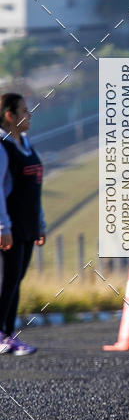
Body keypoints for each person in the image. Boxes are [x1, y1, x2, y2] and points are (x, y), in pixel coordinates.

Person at [0, 93, 46, 355]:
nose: (29, 115)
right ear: (10, 116)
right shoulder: (2, 147)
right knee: (7, 281)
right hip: (9, 227)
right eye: (24, 111)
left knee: (15, 280)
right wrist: (3, 228)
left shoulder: (26, 144)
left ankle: (8, 335)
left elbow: (34, 188)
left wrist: (40, 223)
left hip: (27, 226)